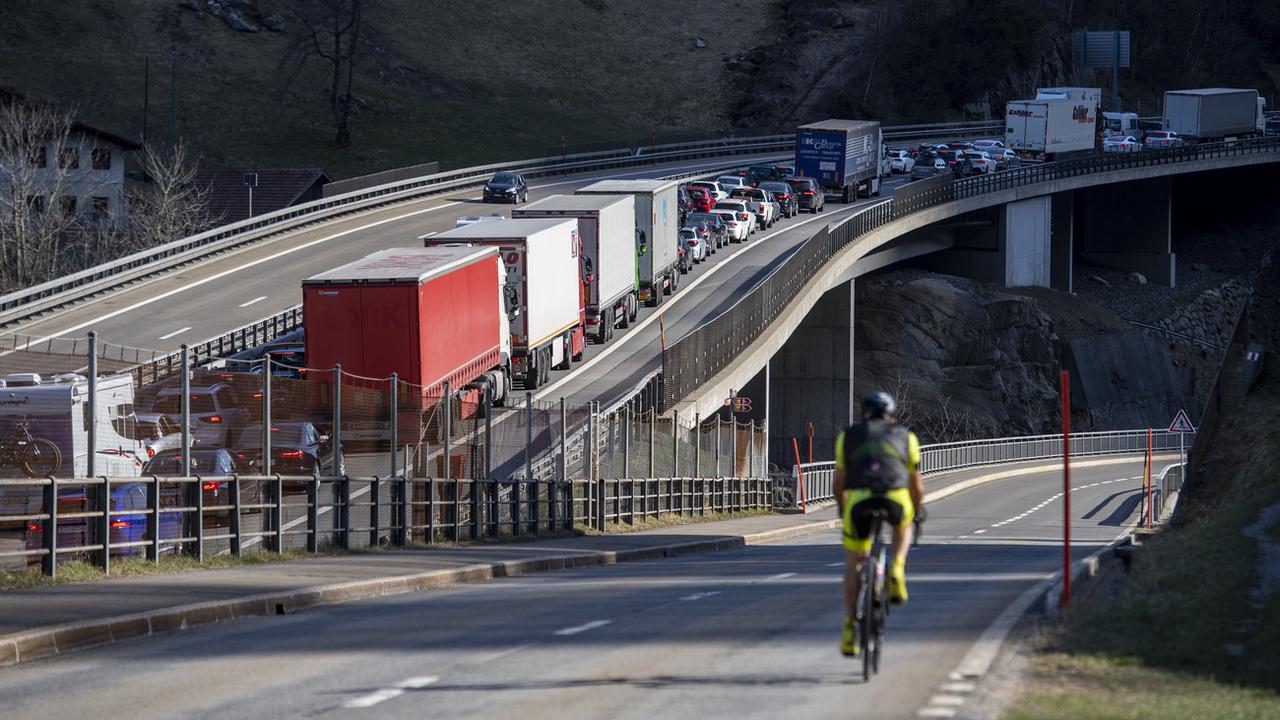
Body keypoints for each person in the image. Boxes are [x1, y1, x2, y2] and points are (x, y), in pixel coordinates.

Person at [834, 391, 925, 657]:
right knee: (902, 526)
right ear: (892, 415)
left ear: (863, 414)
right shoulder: (907, 437)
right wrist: (917, 510)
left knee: (854, 562)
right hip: (894, 496)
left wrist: (842, 505)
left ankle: (850, 627)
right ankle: (896, 568)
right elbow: (916, 484)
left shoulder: (847, 436)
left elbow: (839, 482)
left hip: (859, 500)